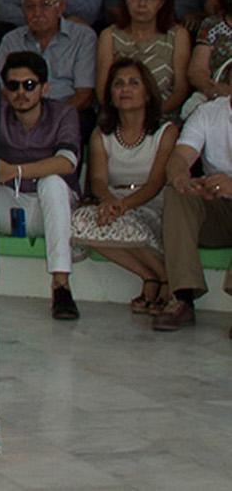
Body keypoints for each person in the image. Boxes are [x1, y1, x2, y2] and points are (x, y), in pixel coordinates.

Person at [71, 57, 178, 315]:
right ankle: (155, 275)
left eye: (133, 83)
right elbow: (98, 180)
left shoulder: (166, 131)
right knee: (78, 222)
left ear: (148, 94)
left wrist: (123, 205)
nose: (125, 89)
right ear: (110, 95)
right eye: (118, 84)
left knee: (124, 222)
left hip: (152, 200)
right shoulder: (101, 134)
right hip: (114, 199)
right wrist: (110, 201)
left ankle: (164, 280)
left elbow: (156, 183)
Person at [0, 52, 81, 320]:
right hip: (10, 202)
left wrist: (16, 170)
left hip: (53, 208)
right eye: (13, 86)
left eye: (29, 85)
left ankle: (61, 285)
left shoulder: (64, 113)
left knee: (52, 182)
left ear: (44, 88)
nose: (21, 92)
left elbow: (67, 162)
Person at [150, 87, 232, 331]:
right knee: (179, 193)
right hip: (218, 212)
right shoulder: (208, 113)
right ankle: (182, 298)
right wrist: (180, 177)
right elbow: (180, 157)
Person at [0, 0, 96, 112]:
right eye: (30, 6)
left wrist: (51, 119)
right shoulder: (11, 40)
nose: (37, 12)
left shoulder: (82, 37)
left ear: (60, 7)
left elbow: (84, 95)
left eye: (45, 4)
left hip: (67, 114)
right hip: (20, 114)